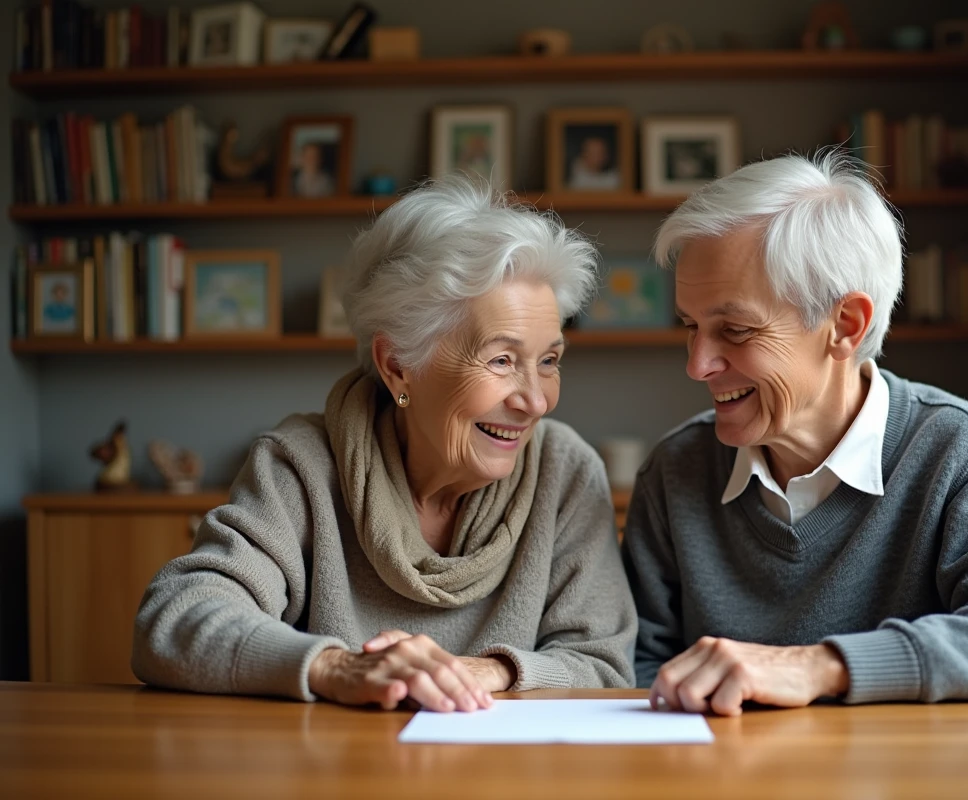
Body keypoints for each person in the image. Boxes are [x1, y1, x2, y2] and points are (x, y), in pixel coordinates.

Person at [133, 176, 637, 710]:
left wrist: (489, 673)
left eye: (549, 361)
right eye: (501, 360)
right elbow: (174, 620)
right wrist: (335, 666)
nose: (536, 401)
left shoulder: (565, 471)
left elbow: (605, 666)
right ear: (398, 366)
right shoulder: (302, 465)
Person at [621, 152, 968, 716]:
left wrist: (820, 665)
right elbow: (635, 667)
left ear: (846, 325)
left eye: (735, 330)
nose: (697, 365)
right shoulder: (675, 470)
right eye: (691, 327)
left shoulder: (958, 454)